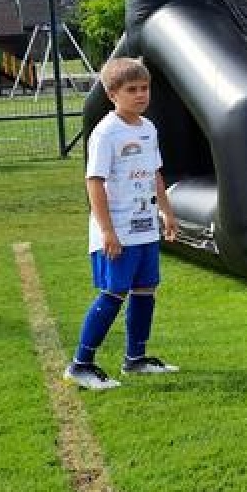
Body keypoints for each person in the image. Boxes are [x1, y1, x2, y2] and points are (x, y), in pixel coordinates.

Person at [64, 57, 179, 390]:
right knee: (114, 293)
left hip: (145, 228)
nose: (141, 95)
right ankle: (81, 365)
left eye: (144, 88)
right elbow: (94, 182)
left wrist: (166, 212)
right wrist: (107, 231)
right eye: (132, 90)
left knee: (146, 289)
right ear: (112, 94)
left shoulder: (148, 128)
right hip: (117, 231)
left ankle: (135, 359)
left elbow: (155, 173)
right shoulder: (106, 133)